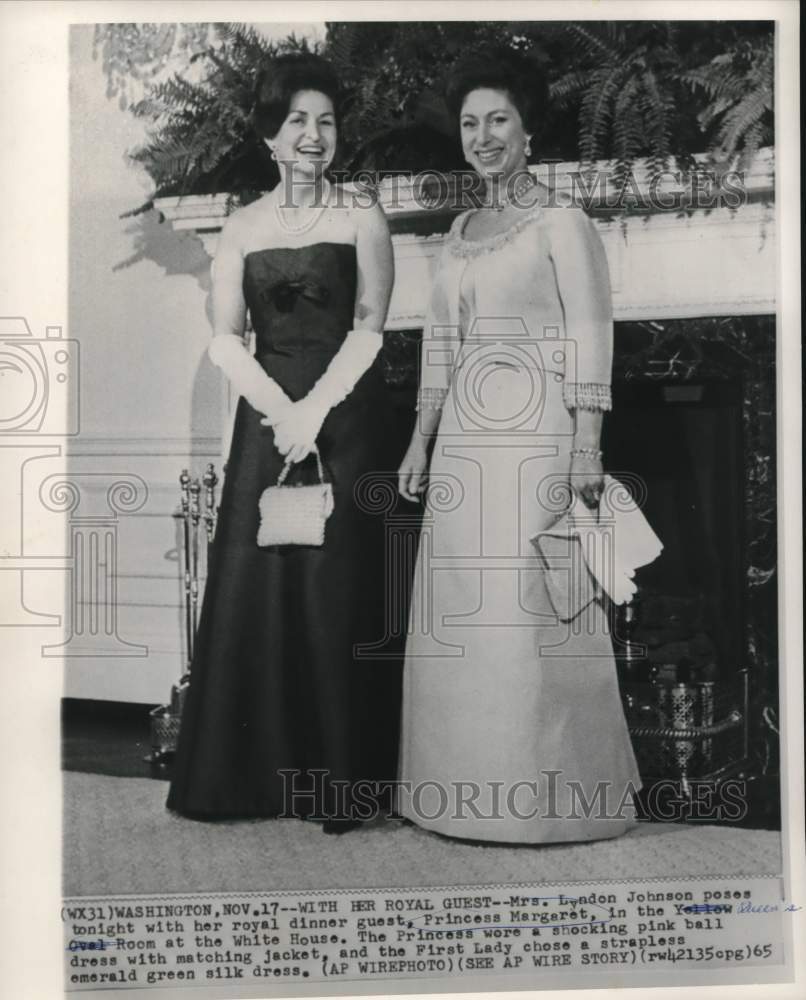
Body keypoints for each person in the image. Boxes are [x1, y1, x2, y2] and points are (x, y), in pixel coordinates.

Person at [396, 51, 641, 843]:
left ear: (529, 128)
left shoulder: (563, 223)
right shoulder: (460, 233)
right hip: (464, 450)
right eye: (470, 123)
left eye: (498, 118)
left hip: (539, 441)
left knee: (531, 610)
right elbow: (441, 344)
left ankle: (550, 807)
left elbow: (592, 334)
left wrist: (587, 446)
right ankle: (452, 796)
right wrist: (420, 442)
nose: (483, 136)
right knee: (463, 616)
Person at [167, 53, 399, 831]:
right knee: (259, 587)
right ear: (270, 134)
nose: (313, 134)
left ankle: (343, 786)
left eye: (326, 121)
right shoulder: (241, 227)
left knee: (336, 587)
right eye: (297, 119)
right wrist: (281, 414)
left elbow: (370, 327)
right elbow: (225, 338)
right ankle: (252, 783)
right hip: (267, 424)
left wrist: (315, 414)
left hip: (346, 419)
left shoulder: (363, 216)